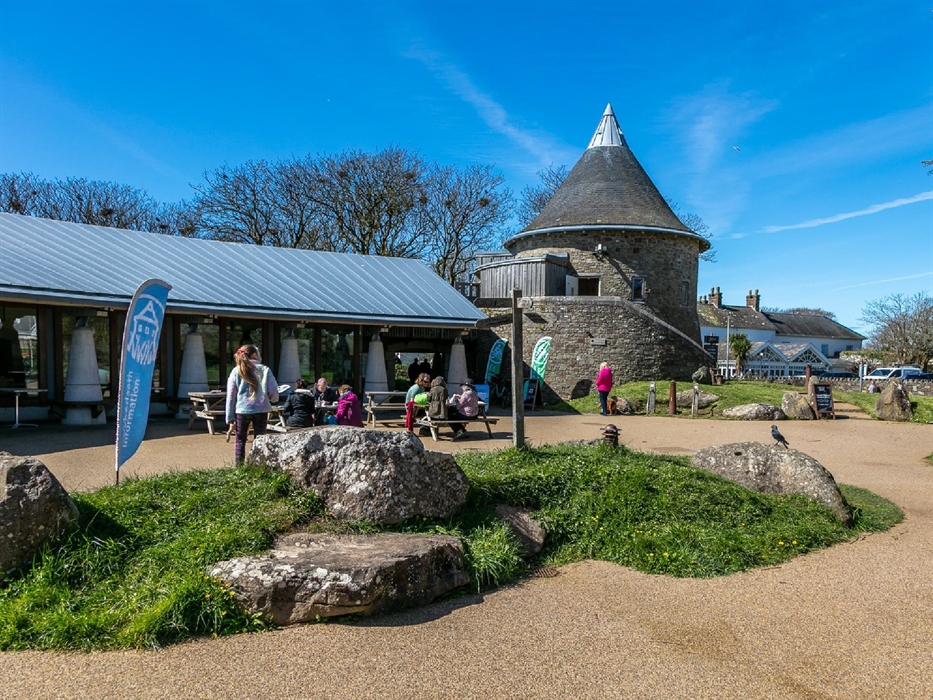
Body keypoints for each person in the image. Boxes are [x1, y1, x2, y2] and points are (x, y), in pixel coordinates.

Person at [225, 344, 279, 463]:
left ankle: (239, 467)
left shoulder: (236, 371)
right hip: (261, 409)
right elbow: (273, 391)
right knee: (260, 439)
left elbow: (230, 396)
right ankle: (258, 465)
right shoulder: (265, 370)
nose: (260, 356)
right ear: (254, 354)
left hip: (242, 410)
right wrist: (273, 399)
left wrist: (229, 417)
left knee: (240, 440)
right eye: (259, 353)